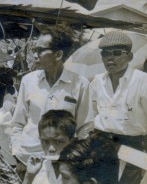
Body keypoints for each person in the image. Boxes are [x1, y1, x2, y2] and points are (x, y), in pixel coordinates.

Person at [11, 25, 92, 172]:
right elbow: (17, 123)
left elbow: (85, 127)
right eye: (35, 50)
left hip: (63, 161)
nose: (35, 55)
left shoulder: (80, 84)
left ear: (58, 54)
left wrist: (75, 158)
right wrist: (18, 155)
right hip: (28, 159)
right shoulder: (28, 81)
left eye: (40, 50)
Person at [88, 31, 147, 184]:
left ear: (129, 57)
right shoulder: (97, 81)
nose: (110, 58)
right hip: (101, 146)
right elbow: (90, 115)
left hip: (132, 147)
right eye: (105, 54)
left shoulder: (143, 81)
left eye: (116, 53)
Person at [16, 110, 80, 184]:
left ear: (72, 141)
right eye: (45, 142)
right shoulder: (41, 168)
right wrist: (29, 177)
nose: (51, 148)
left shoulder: (83, 169)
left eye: (59, 142)